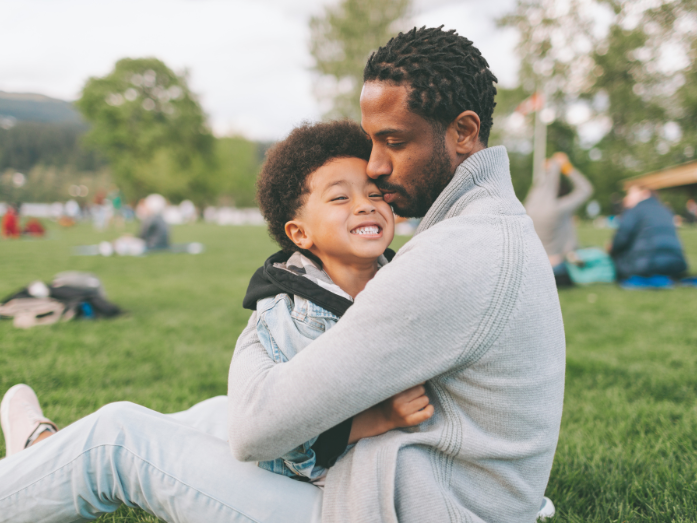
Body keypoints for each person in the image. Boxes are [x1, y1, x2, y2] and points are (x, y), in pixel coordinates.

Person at [0, 27, 564, 523]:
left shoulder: (457, 254)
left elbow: (256, 430)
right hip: (441, 492)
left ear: (463, 132)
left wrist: (275, 292)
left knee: (118, 438)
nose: (375, 165)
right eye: (372, 142)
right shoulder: (494, 228)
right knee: (208, 415)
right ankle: (45, 455)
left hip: (395, 507)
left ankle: (47, 457)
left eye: (393, 141)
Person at [246, 121, 433, 483]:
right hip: (327, 483)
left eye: (375, 194)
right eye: (340, 197)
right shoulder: (291, 314)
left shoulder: (410, 276)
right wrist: (380, 418)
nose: (365, 205)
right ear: (300, 233)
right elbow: (290, 443)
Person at [525, 152, 593, 285]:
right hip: (556, 269)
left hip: (534, 268)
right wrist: (566, 168)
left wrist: (547, 172)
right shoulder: (557, 209)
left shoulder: (527, 206)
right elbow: (586, 189)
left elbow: (539, 188)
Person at [610, 185, 688, 280]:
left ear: (645, 193)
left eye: (630, 193)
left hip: (645, 266)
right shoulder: (666, 210)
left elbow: (620, 241)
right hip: (676, 266)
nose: (626, 198)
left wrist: (610, 249)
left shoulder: (635, 210)